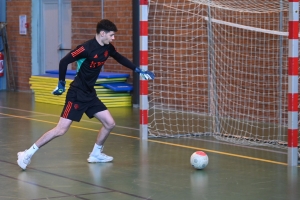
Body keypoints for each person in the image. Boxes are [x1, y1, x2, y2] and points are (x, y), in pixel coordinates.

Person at [17, 19, 154, 170]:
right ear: (103, 34)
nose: (113, 38)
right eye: (111, 35)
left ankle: (96, 154)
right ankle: (26, 154)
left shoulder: (108, 48)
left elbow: (119, 58)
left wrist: (138, 70)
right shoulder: (85, 48)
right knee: (61, 130)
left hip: (90, 94)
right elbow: (64, 62)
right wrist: (61, 83)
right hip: (76, 93)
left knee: (110, 123)